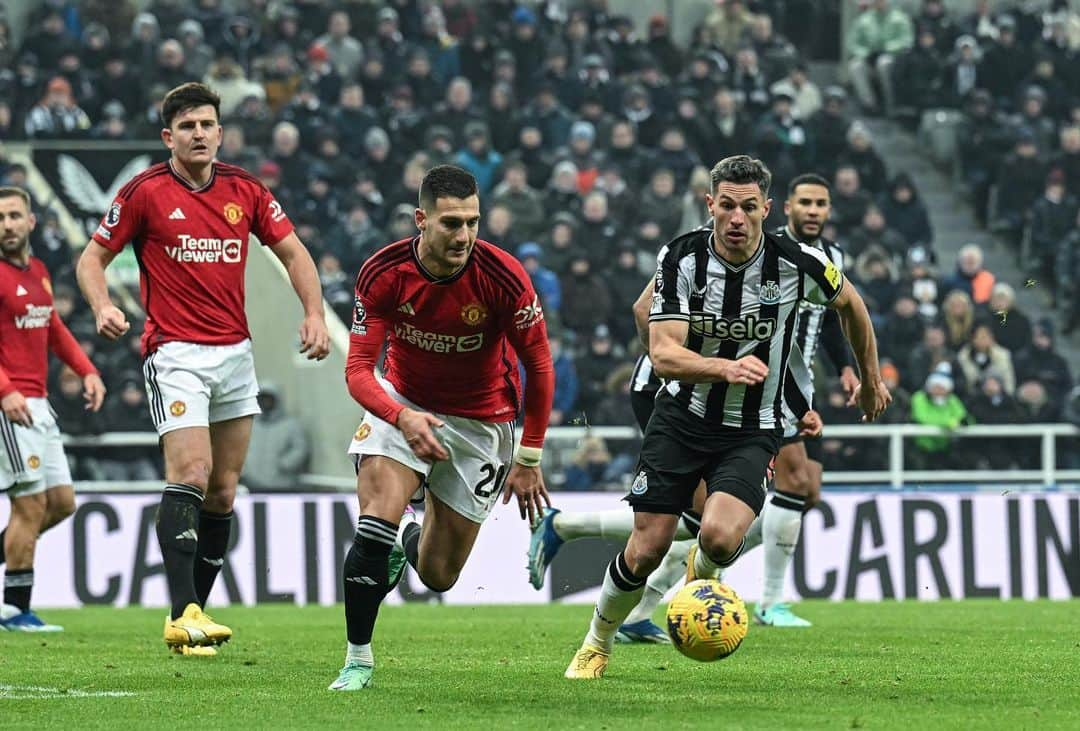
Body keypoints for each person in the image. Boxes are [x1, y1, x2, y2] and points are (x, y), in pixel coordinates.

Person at [564, 155, 890, 679]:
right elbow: (662, 352)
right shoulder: (681, 257)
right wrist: (723, 366)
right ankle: (596, 641)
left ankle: (703, 574)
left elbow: (851, 306)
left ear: (767, 208)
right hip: (680, 418)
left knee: (718, 538)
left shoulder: (798, 261)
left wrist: (870, 378)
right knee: (646, 548)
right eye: (727, 206)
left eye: (749, 208)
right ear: (710, 204)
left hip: (752, 429)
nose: (737, 219)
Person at [75, 83, 330, 657]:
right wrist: (103, 305)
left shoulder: (246, 190)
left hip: (236, 355)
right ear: (168, 136)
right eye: (187, 126)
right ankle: (180, 612)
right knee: (190, 470)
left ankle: (195, 619)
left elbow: (294, 252)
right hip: (175, 355)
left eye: (207, 124)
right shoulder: (143, 193)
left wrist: (313, 313)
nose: (198, 134)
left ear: (220, 132)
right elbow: (92, 258)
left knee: (222, 491)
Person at [332, 165, 554, 691]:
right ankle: (357, 659)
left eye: (473, 222)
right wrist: (399, 415)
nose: (465, 236)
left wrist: (529, 456)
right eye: (452, 223)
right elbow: (359, 369)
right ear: (421, 220)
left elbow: (540, 367)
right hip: (404, 403)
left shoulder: (502, 276)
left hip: (481, 424)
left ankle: (407, 532)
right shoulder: (383, 272)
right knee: (372, 524)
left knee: (437, 574)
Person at [0, 186, 106, 631]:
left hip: (40, 404)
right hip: (11, 405)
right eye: (0, 218)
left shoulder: (39, 272)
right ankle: (15, 609)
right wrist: (5, 390)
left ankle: (13, 568)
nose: (6, 225)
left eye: (14, 216)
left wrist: (87, 370)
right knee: (31, 505)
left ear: (31, 222)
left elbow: (54, 327)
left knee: (62, 503)